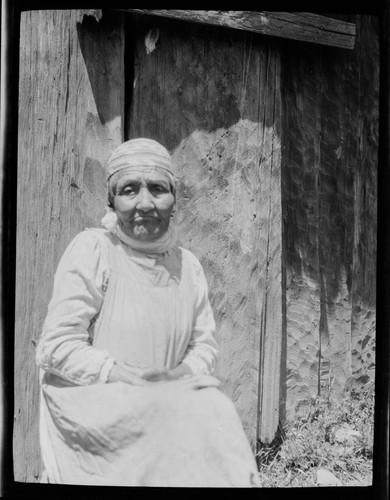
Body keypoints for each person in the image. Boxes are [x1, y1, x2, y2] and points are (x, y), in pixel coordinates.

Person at [36, 138, 260, 487]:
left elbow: (205, 348)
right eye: (129, 190)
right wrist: (126, 376)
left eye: (157, 189)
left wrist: (178, 376)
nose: (145, 202)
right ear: (111, 200)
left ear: (175, 200)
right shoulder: (95, 250)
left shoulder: (188, 266)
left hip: (163, 402)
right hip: (105, 409)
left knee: (217, 410)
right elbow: (55, 347)